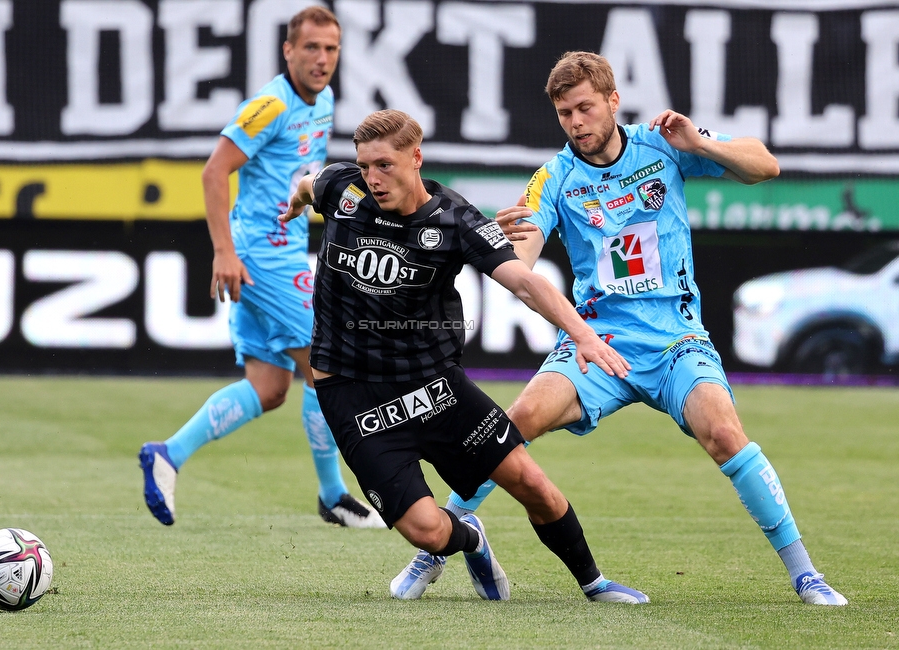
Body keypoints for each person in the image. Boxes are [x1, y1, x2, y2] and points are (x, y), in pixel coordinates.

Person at [393, 51, 848, 606]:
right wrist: (506, 247)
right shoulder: (555, 176)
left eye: (585, 108)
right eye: (565, 114)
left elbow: (764, 165)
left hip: (675, 337)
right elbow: (525, 253)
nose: (576, 123)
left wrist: (701, 143)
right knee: (518, 420)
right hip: (598, 340)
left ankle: (806, 574)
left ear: (613, 101)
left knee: (725, 434)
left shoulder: (663, 144)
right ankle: (435, 547)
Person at [278, 108, 648, 603]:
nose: (372, 178)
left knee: (532, 484)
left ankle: (594, 584)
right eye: (365, 166)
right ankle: (470, 537)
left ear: (416, 157)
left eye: (384, 165)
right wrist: (296, 200)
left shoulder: (456, 219)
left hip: (434, 385)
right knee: (429, 531)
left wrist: (582, 333)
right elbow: (310, 182)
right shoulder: (343, 190)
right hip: (352, 395)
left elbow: (525, 282)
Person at [139, 6, 385, 529]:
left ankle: (168, 454)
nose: (322, 59)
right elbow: (214, 171)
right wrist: (224, 252)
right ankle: (334, 493)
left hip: (283, 253)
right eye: (312, 48)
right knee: (329, 362)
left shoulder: (324, 101)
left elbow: (301, 174)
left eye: (331, 49)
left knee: (270, 387)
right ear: (288, 51)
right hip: (258, 258)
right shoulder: (269, 104)